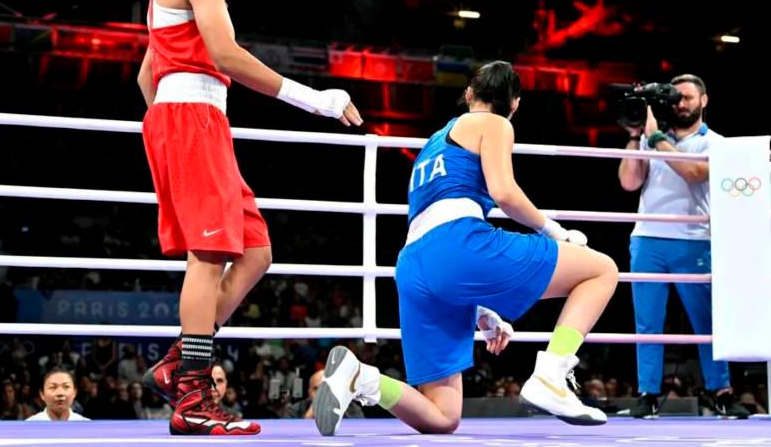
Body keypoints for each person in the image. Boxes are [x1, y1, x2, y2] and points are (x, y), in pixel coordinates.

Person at [136, 0, 362, 436]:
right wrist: (316, 99)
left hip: (192, 120)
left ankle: (176, 364)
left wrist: (177, 123)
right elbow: (225, 56)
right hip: (192, 120)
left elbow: (147, 75)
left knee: (255, 250)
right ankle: (192, 392)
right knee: (210, 253)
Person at [313, 61, 619, 436]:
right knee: (601, 270)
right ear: (515, 103)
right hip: (457, 245)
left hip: (414, 264)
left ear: (469, 93)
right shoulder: (494, 123)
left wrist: (480, 310)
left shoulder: (433, 143)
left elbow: (439, 238)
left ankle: (360, 378)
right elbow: (503, 192)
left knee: (442, 416)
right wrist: (554, 230)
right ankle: (552, 375)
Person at [617, 74, 749, 419]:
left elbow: (692, 173)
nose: (681, 103)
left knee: (707, 321)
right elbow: (629, 182)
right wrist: (635, 136)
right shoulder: (651, 139)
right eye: (677, 98)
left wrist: (656, 137)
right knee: (647, 322)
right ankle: (647, 393)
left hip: (694, 239)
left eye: (688, 97)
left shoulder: (715, 143)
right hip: (647, 237)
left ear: (704, 100)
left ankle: (721, 392)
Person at [287, 369, 363, 419]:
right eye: (316, 389)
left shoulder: (353, 410)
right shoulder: (294, 411)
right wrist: (308, 417)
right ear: (309, 393)